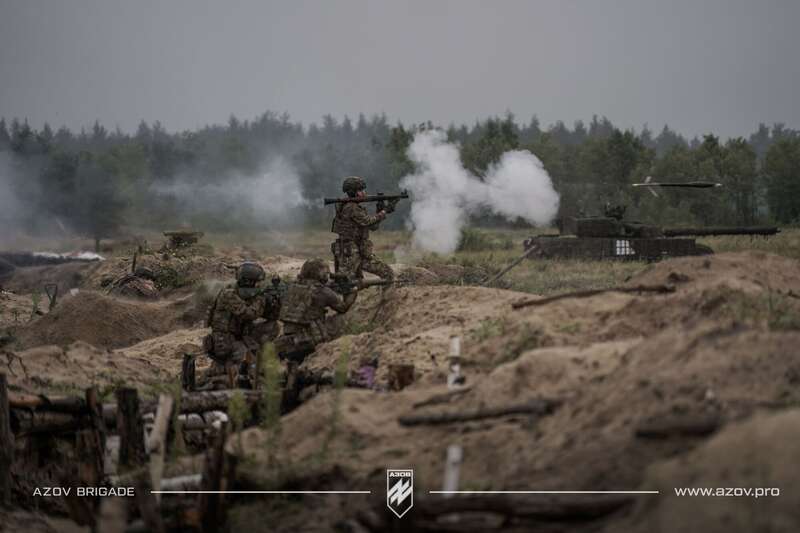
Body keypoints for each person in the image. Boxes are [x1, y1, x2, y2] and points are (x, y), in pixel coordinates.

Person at [201, 262, 280, 389]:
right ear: (248, 282)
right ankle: (228, 369)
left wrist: (273, 303)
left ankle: (252, 355)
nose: (259, 286)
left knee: (273, 326)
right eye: (257, 283)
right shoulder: (229, 294)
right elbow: (249, 314)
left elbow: (270, 317)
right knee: (250, 365)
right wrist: (261, 299)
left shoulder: (248, 295)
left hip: (240, 336)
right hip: (224, 341)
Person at [275, 258, 357, 363]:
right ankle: (330, 350)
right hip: (310, 341)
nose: (327, 275)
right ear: (320, 274)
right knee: (341, 318)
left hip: (288, 338)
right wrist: (353, 292)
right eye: (326, 273)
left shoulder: (291, 286)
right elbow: (343, 308)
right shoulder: (322, 291)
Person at [330, 176, 395, 282]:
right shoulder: (352, 207)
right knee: (345, 283)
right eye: (361, 190)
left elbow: (372, 226)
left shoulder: (347, 205)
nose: (364, 193)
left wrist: (380, 211)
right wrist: (384, 211)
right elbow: (368, 221)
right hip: (351, 254)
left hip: (358, 251)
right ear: (353, 192)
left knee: (386, 273)